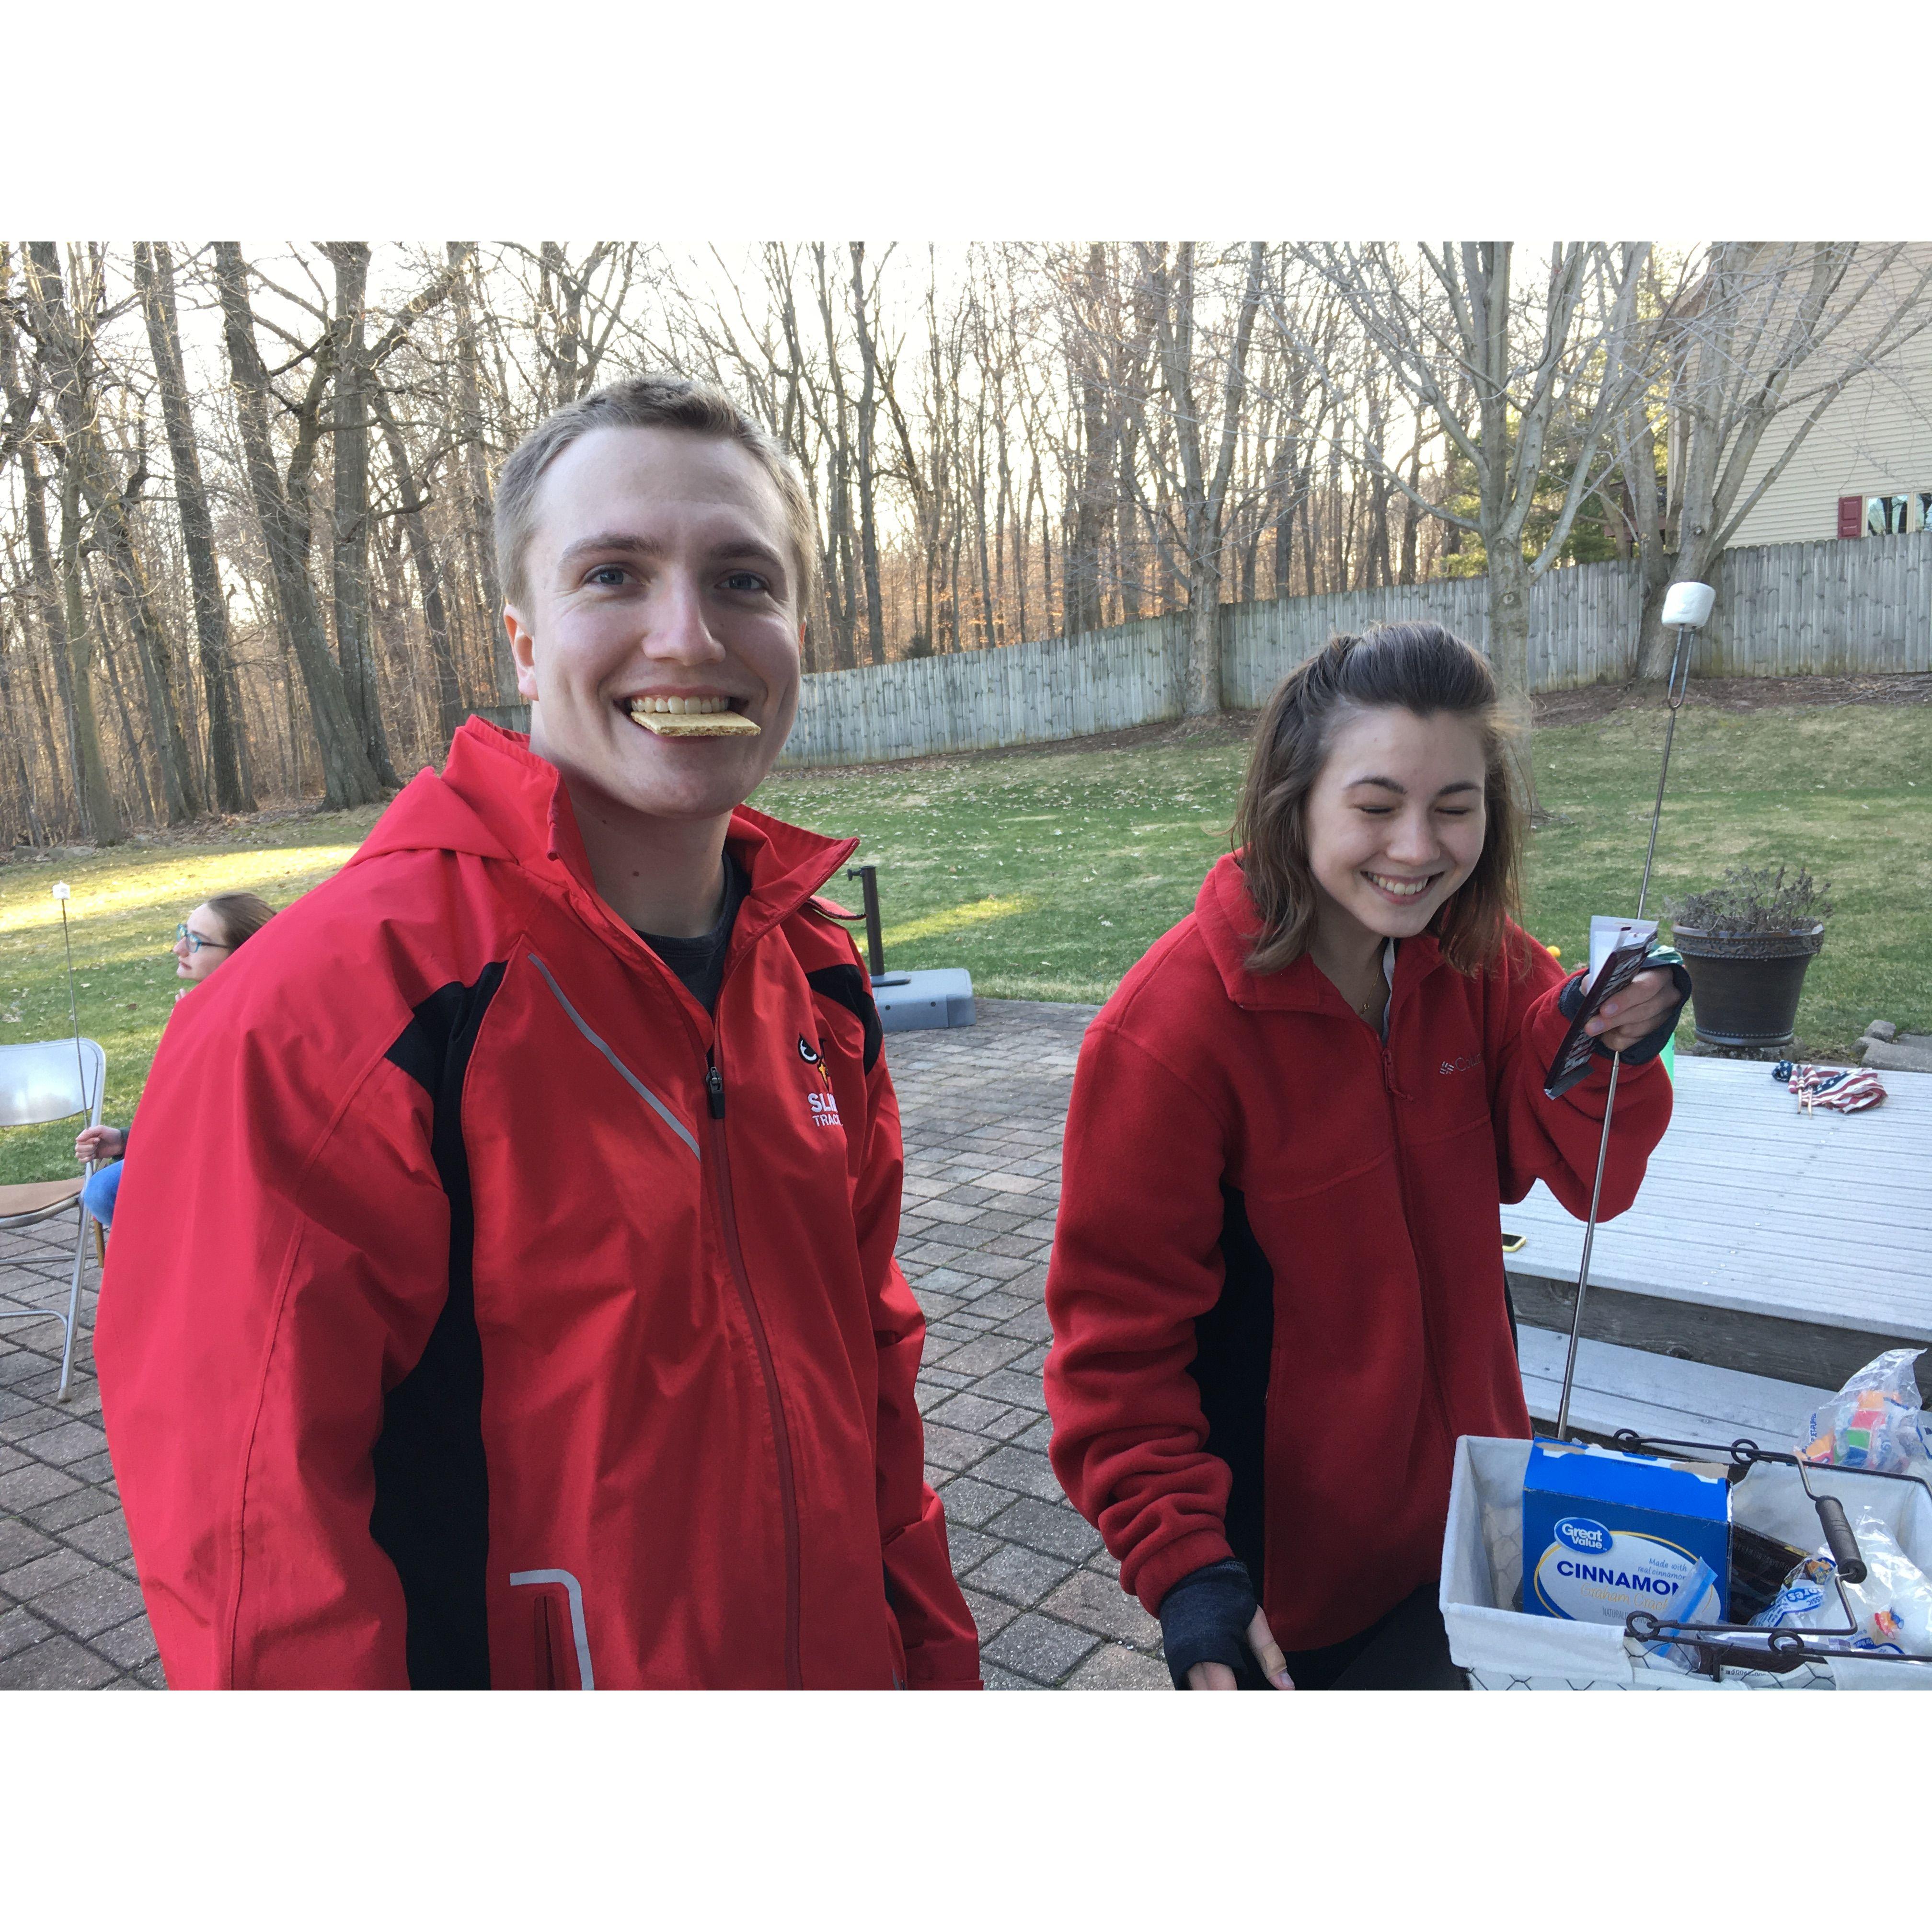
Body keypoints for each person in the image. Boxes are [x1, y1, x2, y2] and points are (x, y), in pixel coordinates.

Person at [96, 373, 982, 1690]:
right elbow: (257, 1574)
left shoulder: (812, 978)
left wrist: (931, 1671)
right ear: (522, 640)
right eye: (614, 574)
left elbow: (873, 1398)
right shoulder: (325, 1017)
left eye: (745, 580)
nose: (688, 637)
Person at [1042, 625, 1690, 1691]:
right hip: (1293, 1590)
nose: (1418, 849)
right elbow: (1116, 1345)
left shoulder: (1480, 959)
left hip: (1475, 1527)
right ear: (1293, 801)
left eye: (1455, 807)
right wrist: (1187, 1567)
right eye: (1377, 806)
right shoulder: (1169, 1034)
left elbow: (1595, 1181)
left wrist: (1608, 1033)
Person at [73, 893, 276, 1231]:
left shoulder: (255, 1023)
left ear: (243, 954)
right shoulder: (201, 1012)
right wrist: (127, 1139)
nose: (178, 948)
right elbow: (192, 1114)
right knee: (104, 1191)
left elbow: (231, 1124)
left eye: (196, 941)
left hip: (247, 1171)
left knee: (109, 1193)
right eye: (184, 932)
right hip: (208, 1154)